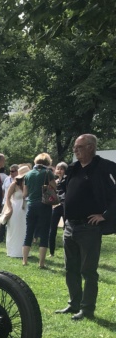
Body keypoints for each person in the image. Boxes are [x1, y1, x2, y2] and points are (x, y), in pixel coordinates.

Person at [55, 134, 116, 321]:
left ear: (91, 147)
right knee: (70, 268)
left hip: (88, 227)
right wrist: (57, 197)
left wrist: (104, 216)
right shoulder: (73, 168)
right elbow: (64, 190)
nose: (75, 150)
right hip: (70, 226)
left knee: (88, 270)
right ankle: (74, 303)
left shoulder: (105, 167)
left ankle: (87, 308)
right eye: (75, 147)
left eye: (79, 147)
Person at [22, 153, 56, 268]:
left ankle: (25, 261)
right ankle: (41, 263)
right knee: (44, 233)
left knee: (28, 232)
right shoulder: (48, 173)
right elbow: (54, 188)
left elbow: (25, 193)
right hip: (44, 205)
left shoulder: (28, 174)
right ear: (47, 162)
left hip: (31, 205)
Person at [3, 164, 30, 258]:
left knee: (24, 229)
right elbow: (8, 197)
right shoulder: (14, 184)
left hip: (25, 208)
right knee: (14, 229)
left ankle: (24, 251)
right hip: (15, 208)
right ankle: (13, 251)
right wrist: (10, 208)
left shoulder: (28, 184)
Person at [49, 161, 68, 256]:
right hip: (56, 206)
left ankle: (67, 252)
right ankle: (51, 252)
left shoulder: (67, 180)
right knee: (52, 229)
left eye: (61, 169)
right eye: (58, 168)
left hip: (65, 206)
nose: (59, 171)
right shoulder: (55, 182)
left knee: (66, 229)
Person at [0, 165, 18, 243]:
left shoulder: (19, 181)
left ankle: (12, 237)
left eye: (13, 171)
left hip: (15, 203)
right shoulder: (7, 179)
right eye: (10, 171)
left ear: (17, 171)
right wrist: (4, 198)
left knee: (13, 221)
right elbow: (3, 189)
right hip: (5, 202)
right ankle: (0, 238)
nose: (11, 173)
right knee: (3, 220)